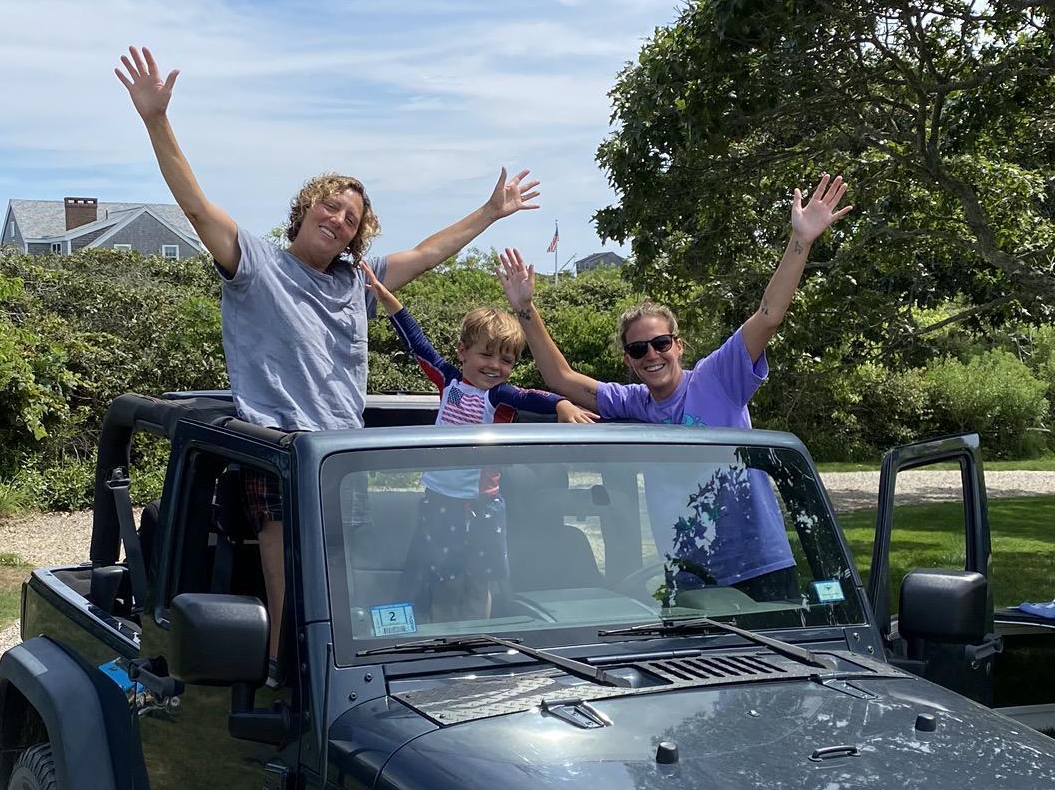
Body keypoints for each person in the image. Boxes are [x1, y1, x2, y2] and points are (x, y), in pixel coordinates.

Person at [115, 44, 541, 663]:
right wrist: (157, 119)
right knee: (292, 586)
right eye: (329, 206)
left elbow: (428, 252)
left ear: (357, 234)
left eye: (350, 217)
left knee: (343, 588)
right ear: (305, 209)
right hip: (279, 448)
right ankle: (288, 685)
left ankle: (353, 679)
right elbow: (195, 206)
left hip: (344, 455)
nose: (338, 218)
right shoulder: (256, 264)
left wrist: (491, 212)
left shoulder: (358, 282)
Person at [497, 174, 852, 605]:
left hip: (761, 567)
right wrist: (525, 308)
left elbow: (769, 314)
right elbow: (561, 380)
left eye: (662, 343)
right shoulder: (633, 404)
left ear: (678, 345)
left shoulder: (718, 378)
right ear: (628, 359)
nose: (653, 354)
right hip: (688, 576)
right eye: (638, 348)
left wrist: (801, 241)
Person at [360, 263, 595, 622]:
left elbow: (533, 397)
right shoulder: (448, 382)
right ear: (462, 352)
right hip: (440, 500)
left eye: (506, 359)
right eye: (486, 354)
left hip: (484, 505)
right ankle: (442, 640)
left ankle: (477, 638)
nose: (495, 366)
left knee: (480, 583)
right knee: (441, 580)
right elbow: (416, 343)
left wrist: (562, 404)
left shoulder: (500, 396)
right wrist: (388, 298)